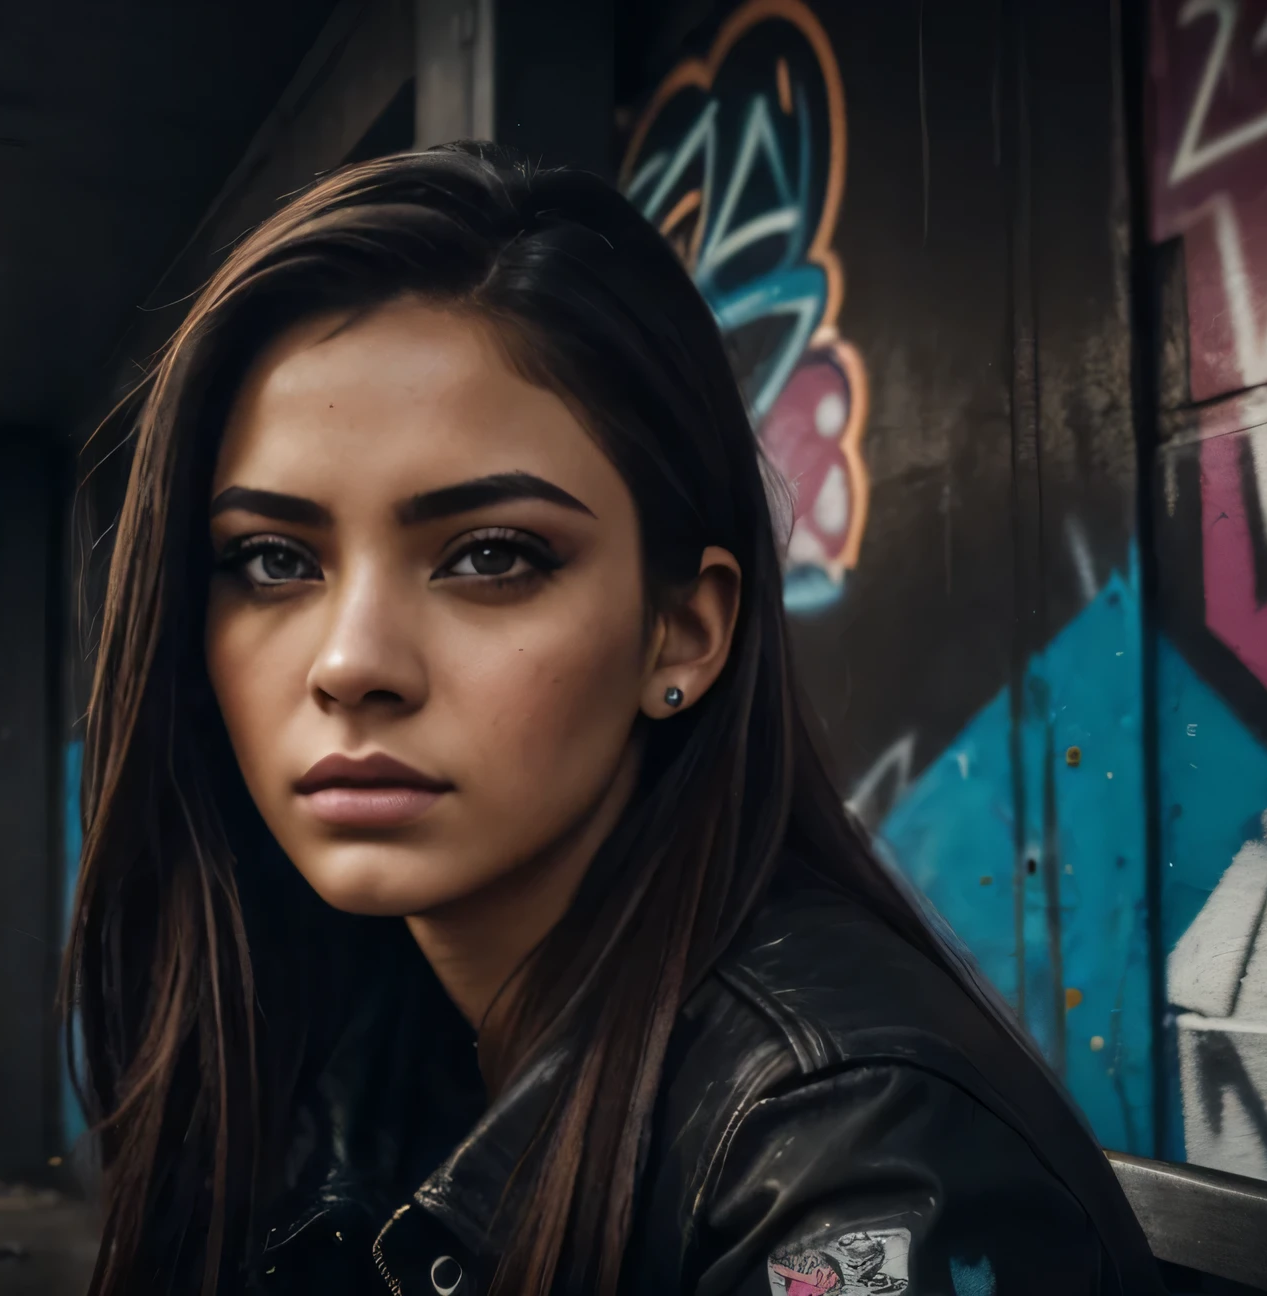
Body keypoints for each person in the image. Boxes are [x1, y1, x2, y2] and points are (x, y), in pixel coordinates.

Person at [63, 144, 1162, 1295]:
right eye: (275, 560)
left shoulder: (858, 1160)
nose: (352, 665)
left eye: (491, 556)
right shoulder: (336, 1032)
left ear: (680, 634)